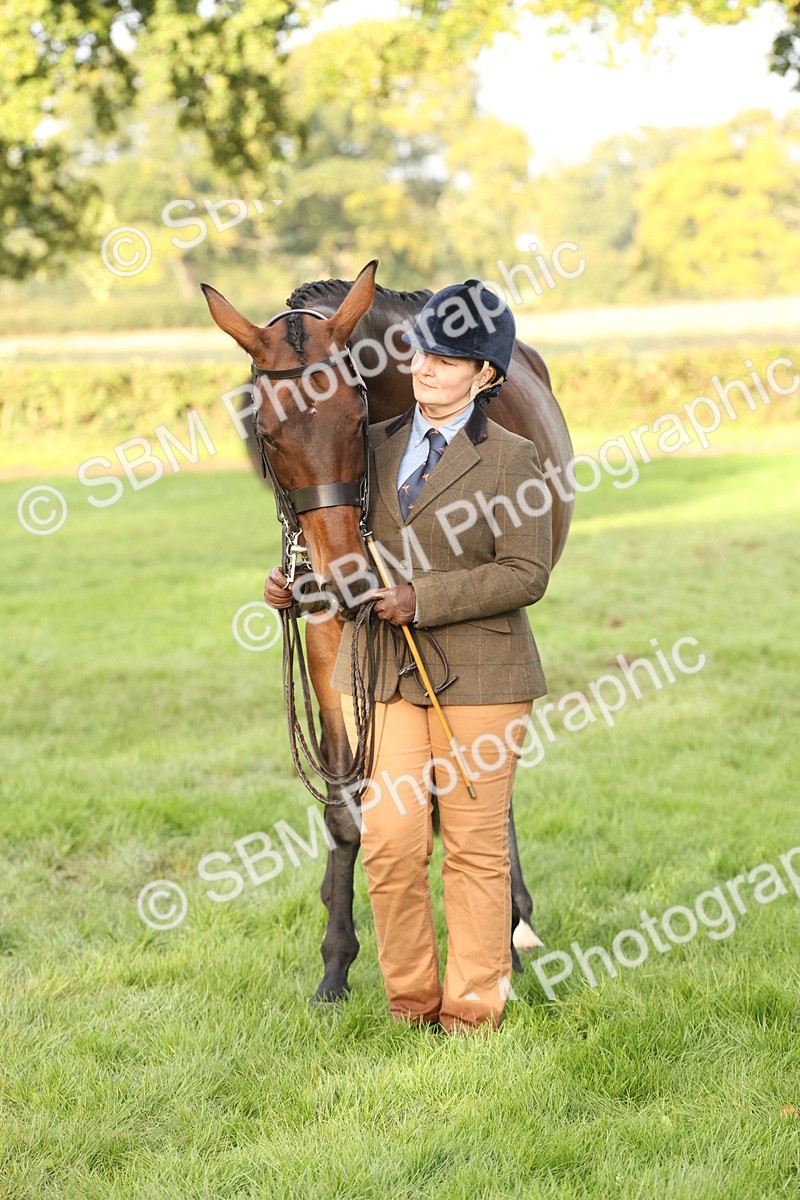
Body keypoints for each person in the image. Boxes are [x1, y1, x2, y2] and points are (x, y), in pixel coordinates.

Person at [265, 280, 552, 1034]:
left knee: (473, 851)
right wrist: (298, 585)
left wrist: (421, 600)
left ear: (486, 376)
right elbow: (339, 544)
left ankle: (472, 1011)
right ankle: (412, 1004)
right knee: (389, 845)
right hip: (386, 676)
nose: (425, 368)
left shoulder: (514, 461)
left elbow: (529, 574)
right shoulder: (371, 443)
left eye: (450, 360)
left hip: (483, 676)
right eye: (422, 351)